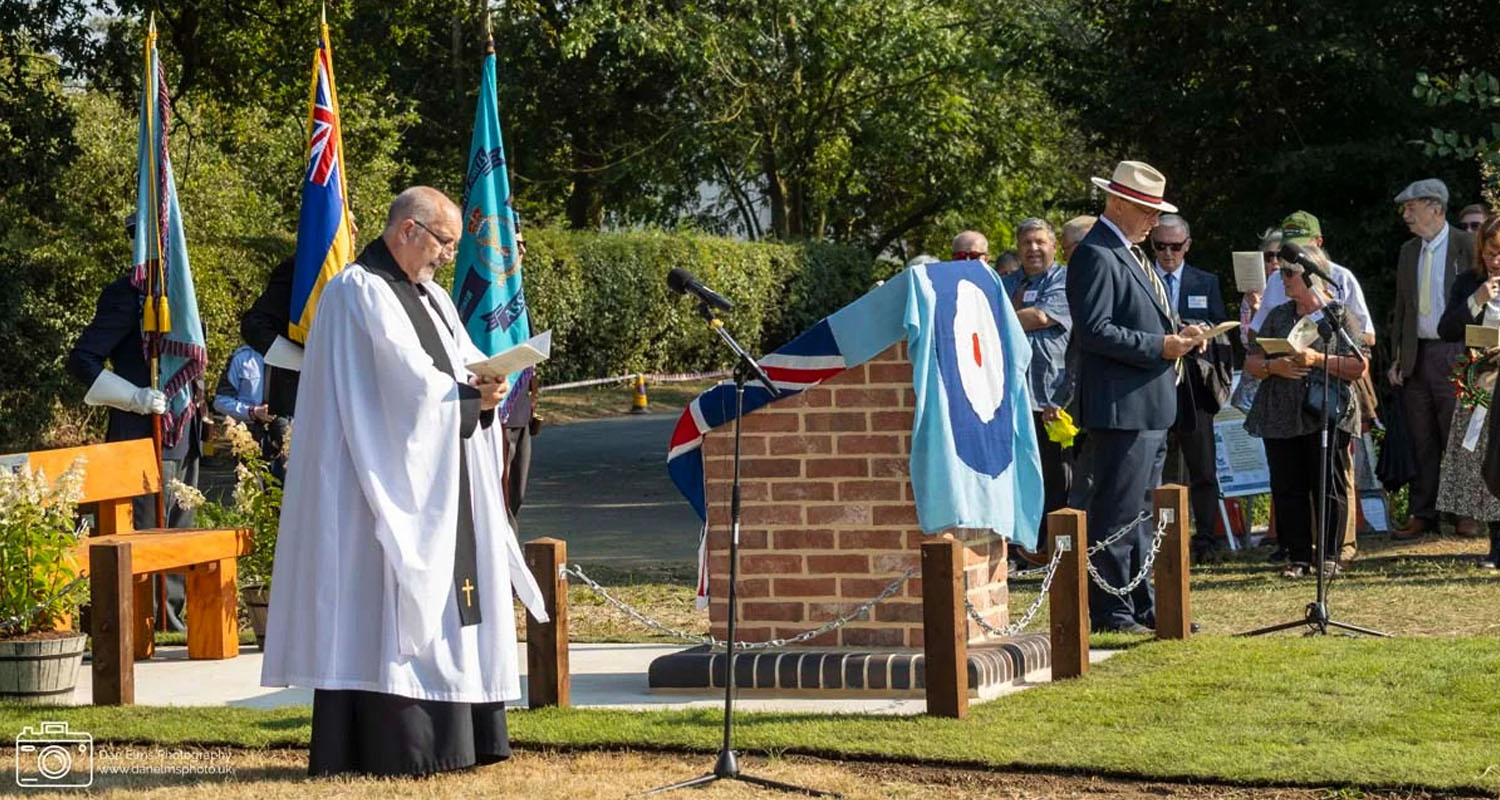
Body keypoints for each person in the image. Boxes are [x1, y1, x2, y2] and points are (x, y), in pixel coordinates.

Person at [261, 187, 546, 777]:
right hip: (378, 487)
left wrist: (488, 388)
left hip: (444, 476)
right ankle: (399, 743)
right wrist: (463, 397)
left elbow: (459, 363)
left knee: (454, 600)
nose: (448, 256)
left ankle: (465, 736)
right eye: (443, 242)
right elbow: (395, 390)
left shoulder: (435, 299)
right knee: (387, 606)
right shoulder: (354, 293)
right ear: (409, 230)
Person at [1066, 160, 1204, 634]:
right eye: (1147, 211)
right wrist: (1160, 347)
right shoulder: (1096, 254)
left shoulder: (1130, 252)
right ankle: (1111, 611)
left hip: (1148, 404)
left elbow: (1139, 319)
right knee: (1117, 515)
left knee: (1142, 517)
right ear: (1118, 202)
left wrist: (1178, 335)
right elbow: (1094, 330)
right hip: (1121, 408)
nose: (1155, 222)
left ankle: (1142, 604)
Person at [67, 215, 202, 631]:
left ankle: (171, 617)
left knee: (179, 526)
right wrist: (135, 398)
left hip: (183, 429)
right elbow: (82, 358)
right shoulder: (128, 295)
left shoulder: (181, 294)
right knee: (146, 530)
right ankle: (143, 620)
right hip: (143, 431)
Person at [1242, 248, 1369, 577]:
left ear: (1311, 275)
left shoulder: (1337, 315)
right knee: (1287, 486)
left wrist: (1316, 360)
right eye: (1281, 273)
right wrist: (1275, 366)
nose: (1282, 279)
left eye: (1289, 273)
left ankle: (1329, 556)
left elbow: (1358, 365)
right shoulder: (1278, 316)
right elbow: (1251, 362)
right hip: (1280, 413)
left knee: (1328, 484)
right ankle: (1298, 556)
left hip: (1324, 412)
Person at [1388, 179, 1476, 539]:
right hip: (1417, 353)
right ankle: (1423, 512)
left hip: (1456, 351)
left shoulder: (1466, 245)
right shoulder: (1409, 251)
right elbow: (1402, 308)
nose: (1406, 214)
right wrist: (1397, 358)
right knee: (1421, 438)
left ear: (1435, 208)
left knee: (1459, 435)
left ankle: (1464, 512)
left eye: (1412, 207)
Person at [1151, 214, 1231, 563]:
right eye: (1160, 246)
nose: (1168, 253)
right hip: (1153, 381)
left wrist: (1202, 330)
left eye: (1175, 247)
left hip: (1195, 383)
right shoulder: (1141, 276)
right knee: (1154, 464)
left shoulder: (1205, 280)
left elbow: (1219, 323)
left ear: (1187, 246)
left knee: (1202, 466)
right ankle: (1156, 538)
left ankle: (1207, 538)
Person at [1437, 213, 1500, 568]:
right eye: (1491, 253)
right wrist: (1476, 299)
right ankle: (1496, 546)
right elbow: (1446, 329)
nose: (1496, 260)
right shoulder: (1468, 282)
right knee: (1488, 467)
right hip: (1480, 388)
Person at [1010, 218, 1072, 543]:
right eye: (1026, 243)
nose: (1033, 249)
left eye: (1039, 242)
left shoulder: (1065, 280)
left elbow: (1041, 317)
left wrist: (996, 317)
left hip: (1053, 396)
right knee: (1022, 475)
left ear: (1053, 245)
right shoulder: (1009, 284)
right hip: (1014, 397)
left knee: (1057, 474)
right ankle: (1028, 546)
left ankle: (1059, 546)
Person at [211, 343, 289, 480]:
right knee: (250, 493)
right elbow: (220, 401)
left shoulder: (292, 357)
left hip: (285, 437)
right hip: (249, 436)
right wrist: (251, 411)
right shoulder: (241, 358)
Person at [239, 256, 302, 419]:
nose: (355, 229)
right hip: (299, 407)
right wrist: (305, 363)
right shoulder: (303, 270)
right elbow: (254, 326)